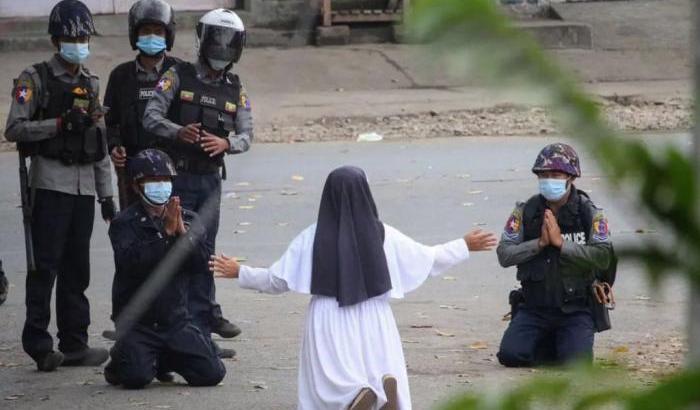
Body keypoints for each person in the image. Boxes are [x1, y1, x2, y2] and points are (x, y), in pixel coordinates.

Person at [210, 166, 497, 410]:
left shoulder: (311, 237)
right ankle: (381, 392)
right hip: (375, 316)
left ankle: (350, 397)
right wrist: (464, 245)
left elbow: (278, 280)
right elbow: (429, 258)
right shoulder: (384, 234)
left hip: (327, 316)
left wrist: (241, 272)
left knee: (328, 376)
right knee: (377, 362)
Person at [4, 0, 115, 372]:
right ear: (56, 40)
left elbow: (99, 144)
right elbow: (14, 128)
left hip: (83, 189)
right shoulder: (33, 78)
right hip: (50, 184)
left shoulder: (91, 83)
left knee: (77, 270)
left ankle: (75, 343)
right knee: (44, 268)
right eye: (72, 36)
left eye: (84, 36)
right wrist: (58, 124)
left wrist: (107, 194)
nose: (79, 43)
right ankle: (38, 344)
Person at [143, 8, 253, 354]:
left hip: (209, 181)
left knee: (204, 254)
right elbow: (151, 117)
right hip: (177, 178)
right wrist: (180, 133)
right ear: (203, 40)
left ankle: (202, 332)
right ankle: (172, 329)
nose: (221, 47)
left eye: (228, 41)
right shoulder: (177, 76)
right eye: (216, 39)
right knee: (174, 251)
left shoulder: (236, 88)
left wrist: (226, 144)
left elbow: (247, 134)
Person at [104, 149, 226, 389]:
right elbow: (133, 264)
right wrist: (164, 234)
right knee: (135, 378)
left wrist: (183, 235)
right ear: (137, 186)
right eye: (152, 182)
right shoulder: (123, 223)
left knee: (212, 374)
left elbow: (202, 265)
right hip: (138, 322)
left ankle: (164, 358)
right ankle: (120, 359)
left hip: (175, 320)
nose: (160, 186)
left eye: (165, 181)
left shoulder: (187, 217)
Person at [496, 143, 614, 367]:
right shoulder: (525, 211)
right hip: (534, 308)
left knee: (576, 364)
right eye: (544, 175)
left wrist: (562, 244)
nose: (549, 180)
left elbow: (603, 256)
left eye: (556, 174)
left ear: (571, 177)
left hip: (576, 309)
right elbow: (504, 254)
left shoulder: (590, 213)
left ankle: (564, 344)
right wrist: (539, 244)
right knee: (510, 356)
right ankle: (550, 343)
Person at [104, 0, 180, 210]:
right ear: (135, 34)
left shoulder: (181, 72)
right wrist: (114, 147)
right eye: (146, 30)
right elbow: (110, 123)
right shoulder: (120, 76)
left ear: (168, 35)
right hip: (134, 172)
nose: (152, 36)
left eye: (158, 31)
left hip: (172, 169)